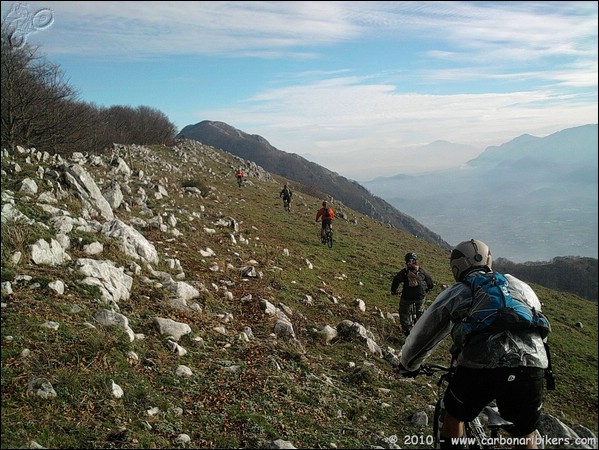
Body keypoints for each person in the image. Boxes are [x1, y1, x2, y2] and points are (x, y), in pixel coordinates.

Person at [398, 239, 550, 449]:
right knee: (525, 432)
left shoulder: (460, 290)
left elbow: (425, 334)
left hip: (479, 365)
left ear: (457, 267)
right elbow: (537, 323)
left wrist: (408, 364)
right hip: (533, 364)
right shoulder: (520, 286)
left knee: (454, 416)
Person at [390, 252, 434, 336]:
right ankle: (422, 328)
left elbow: (395, 281)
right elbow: (429, 280)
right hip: (420, 296)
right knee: (420, 310)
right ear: (416, 261)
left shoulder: (404, 272)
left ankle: (406, 329)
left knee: (403, 311)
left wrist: (393, 291)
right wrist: (429, 288)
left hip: (407, 296)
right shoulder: (421, 271)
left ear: (406, 262)